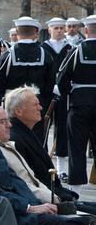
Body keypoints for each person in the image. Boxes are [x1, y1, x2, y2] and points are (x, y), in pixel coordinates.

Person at [6, 87, 81, 205]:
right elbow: (32, 180)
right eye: (35, 104)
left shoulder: (26, 133)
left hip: (54, 194)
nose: (40, 108)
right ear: (18, 111)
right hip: (45, 200)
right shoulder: (15, 139)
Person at [0, 17, 55, 139]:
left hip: (13, 105)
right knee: (37, 141)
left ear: (17, 32)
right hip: (37, 104)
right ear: (36, 33)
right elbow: (50, 85)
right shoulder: (46, 55)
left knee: (13, 138)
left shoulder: (7, 55)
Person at [57, 15, 96, 188]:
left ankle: (77, 189)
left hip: (79, 104)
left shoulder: (77, 50)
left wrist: (70, 93)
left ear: (86, 30)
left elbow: (62, 79)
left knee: (77, 147)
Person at [42, 17, 72, 176]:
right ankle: (43, 163)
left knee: (62, 129)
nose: (59, 30)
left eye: (62, 28)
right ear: (49, 30)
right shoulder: (43, 48)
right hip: (47, 92)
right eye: (56, 28)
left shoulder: (71, 48)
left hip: (63, 93)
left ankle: (61, 170)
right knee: (43, 127)